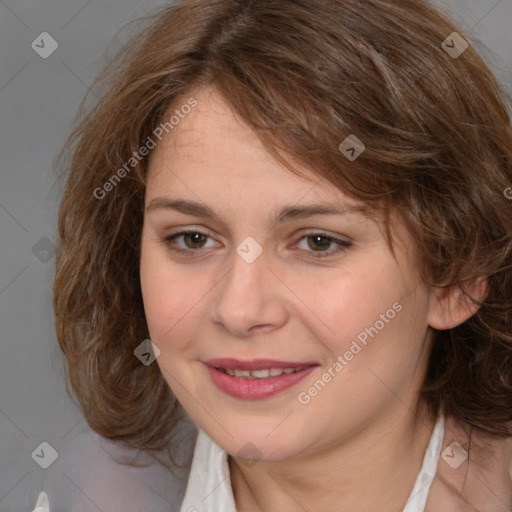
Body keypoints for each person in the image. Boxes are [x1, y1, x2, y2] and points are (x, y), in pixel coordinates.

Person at [43, 0, 512, 510]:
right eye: (193, 239)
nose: (239, 311)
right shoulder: (84, 492)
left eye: (318, 242)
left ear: (457, 274)